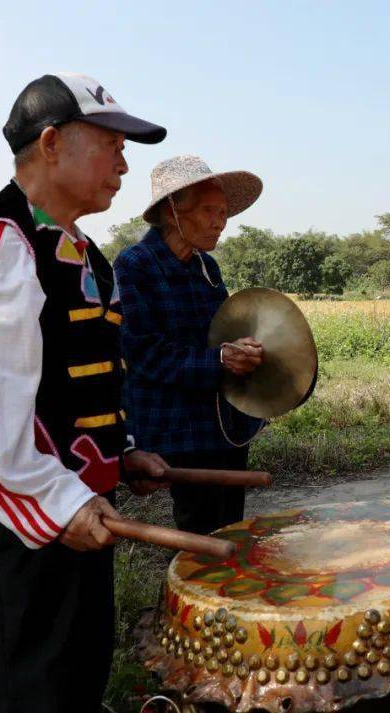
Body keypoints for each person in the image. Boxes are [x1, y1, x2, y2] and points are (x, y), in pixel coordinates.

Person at [0, 73, 171, 711]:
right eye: (111, 144)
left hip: (76, 508)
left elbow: (80, 372)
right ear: (51, 143)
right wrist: (59, 502)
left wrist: (118, 451)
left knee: (78, 669)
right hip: (19, 518)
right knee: (31, 683)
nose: (125, 165)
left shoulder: (83, 253)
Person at [116, 155, 265, 535]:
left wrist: (244, 349)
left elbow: (224, 330)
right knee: (200, 532)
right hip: (178, 428)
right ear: (173, 211)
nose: (220, 222)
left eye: (224, 212)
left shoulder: (206, 267)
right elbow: (145, 354)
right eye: (209, 211)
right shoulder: (134, 267)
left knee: (230, 526)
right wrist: (219, 360)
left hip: (223, 423)